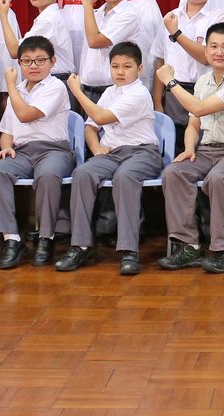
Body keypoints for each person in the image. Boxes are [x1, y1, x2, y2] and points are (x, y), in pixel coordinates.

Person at [158, 22, 224, 274]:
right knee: (174, 172)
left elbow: (198, 108)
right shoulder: (204, 81)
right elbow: (194, 123)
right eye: (213, 46)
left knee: (219, 177)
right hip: (206, 151)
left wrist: (170, 81)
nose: (219, 52)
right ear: (206, 51)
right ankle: (189, 245)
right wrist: (189, 148)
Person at [60, 43, 164, 276]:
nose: (120, 72)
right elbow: (90, 127)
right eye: (115, 66)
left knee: (124, 177)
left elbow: (100, 117)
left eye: (127, 66)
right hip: (113, 153)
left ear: (139, 69)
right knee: (82, 173)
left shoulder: (139, 93)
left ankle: (129, 250)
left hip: (142, 152)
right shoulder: (109, 92)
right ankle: (81, 246)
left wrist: (77, 91)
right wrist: (96, 148)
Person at [0, 36, 75, 270]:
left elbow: (25, 115)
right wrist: (6, 147)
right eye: (27, 61)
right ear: (20, 63)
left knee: (48, 175)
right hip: (22, 152)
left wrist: (10, 86)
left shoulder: (55, 87)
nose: (33, 66)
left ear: (53, 61)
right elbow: (7, 131)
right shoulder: (18, 90)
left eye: (40, 60)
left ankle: (46, 238)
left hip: (53, 149)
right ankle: (12, 239)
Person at [154, 0, 224, 152]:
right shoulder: (170, 17)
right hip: (173, 93)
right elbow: (160, 61)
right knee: (174, 151)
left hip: (205, 94)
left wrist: (176, 34)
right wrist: (158, 102)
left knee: (203, 151)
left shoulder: (217, 18)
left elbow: (206, 57)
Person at [78, 0, 159, 103]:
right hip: (87, 88)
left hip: (114, 89)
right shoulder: (96, 13)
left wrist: (87, 5)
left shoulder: (129, 15)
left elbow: (95, 41)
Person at [0, 0, 75, 81]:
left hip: (55, 80)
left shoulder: (49, 20)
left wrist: (3, 15)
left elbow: (15, 51)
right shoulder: (48, 16)